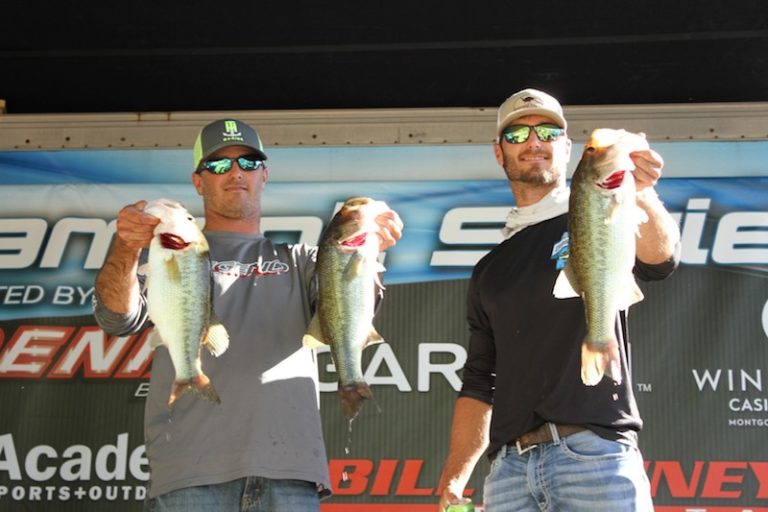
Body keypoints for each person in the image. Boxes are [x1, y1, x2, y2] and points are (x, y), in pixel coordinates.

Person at [92, 118, 403, 511]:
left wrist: (372, 248)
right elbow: (117, 319)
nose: (236, 172)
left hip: (290, 475)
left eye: (249, 163)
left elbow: (350, 311)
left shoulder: (303, 260)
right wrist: (125, 247)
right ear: (198, 181)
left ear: (264, 175)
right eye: (219, 165)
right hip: (190, 474)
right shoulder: (171, 252)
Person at [437, 89, 681, 511]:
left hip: (594, 455)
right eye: (518, 135)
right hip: (509, 471)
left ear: (567, 148)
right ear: (499, 153)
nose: (534, 142)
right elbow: (480, 380)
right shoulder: (490, 269)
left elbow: (661, 259)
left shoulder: (599, 209)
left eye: (548, 131)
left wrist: (640, 192)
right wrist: (455, 478)